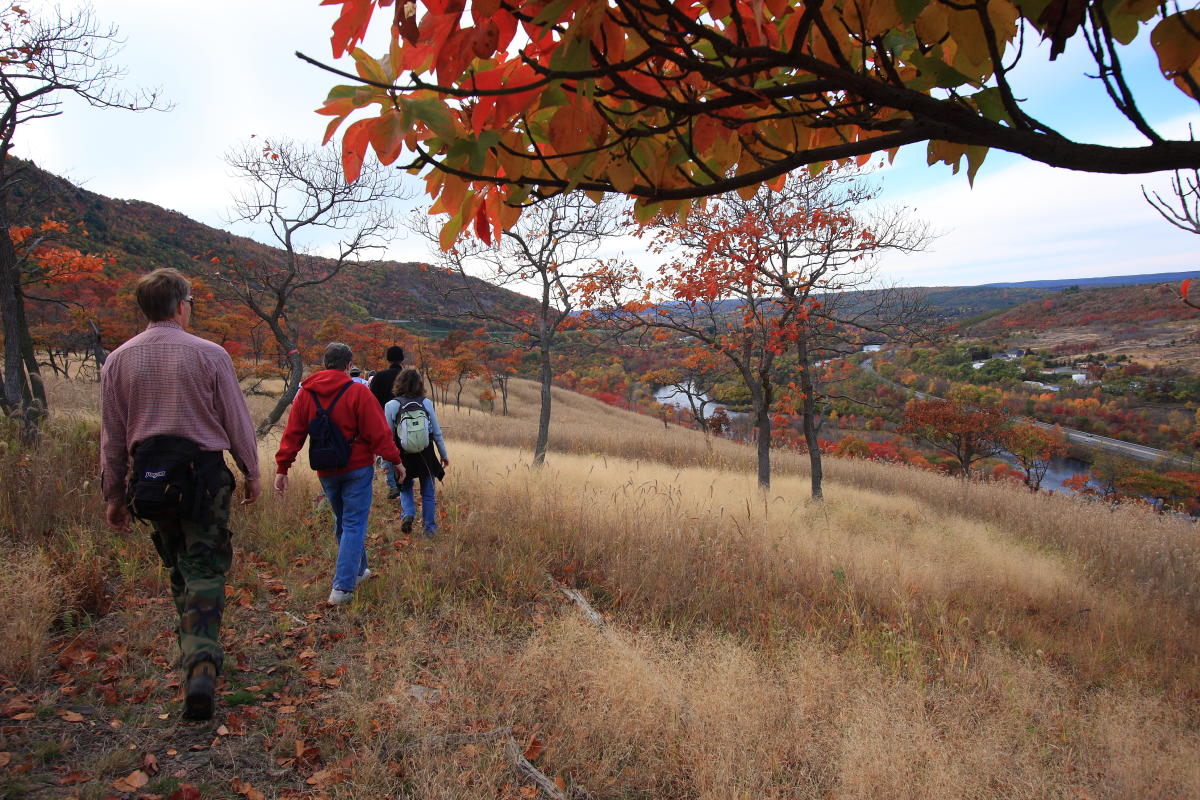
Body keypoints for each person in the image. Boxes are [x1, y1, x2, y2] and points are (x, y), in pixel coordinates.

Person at [100, 268, 262, 722]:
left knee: (177, 565)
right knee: (206, 566)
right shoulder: (210, 355)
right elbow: (235, 420)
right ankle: (202, 663)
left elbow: (112, 438)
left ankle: (192, 649)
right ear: (181, 305)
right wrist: (251, 471)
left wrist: (114, 494)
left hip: (150, 483)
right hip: (204, 479)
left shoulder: (118, 360)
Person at [274, 342, 404, 606]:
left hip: (325, 468)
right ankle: (343, 588)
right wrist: (395, 461)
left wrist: (282, 467)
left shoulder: (305, 394)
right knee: (353, 523)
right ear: (348, 365)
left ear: (325, 363)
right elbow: (378, 432)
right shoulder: (357, 391)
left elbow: (293, 434)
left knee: (344, 520)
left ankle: (359, 570)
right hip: (357, 467)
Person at [384, 368, 449, 536]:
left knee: (405, 487)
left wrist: (389, 460)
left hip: (402, 455)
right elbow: (436, 432)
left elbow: (388, 436)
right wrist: (443, 454)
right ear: (419, 384)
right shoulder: (425, 403)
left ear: (399, 383)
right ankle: (430, 529)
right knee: (428, 492)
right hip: (425, 453)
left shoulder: (391, 405)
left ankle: (408, 515)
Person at [368, 345, 406, 498]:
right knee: (404, 452)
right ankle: (403, 481)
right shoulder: (407, 376)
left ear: (388, 359)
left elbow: (371, 400)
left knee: (387, 453)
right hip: (406, 421)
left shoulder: (379, 376)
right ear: (402, 359)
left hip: (383, 420)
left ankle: (392, 485)